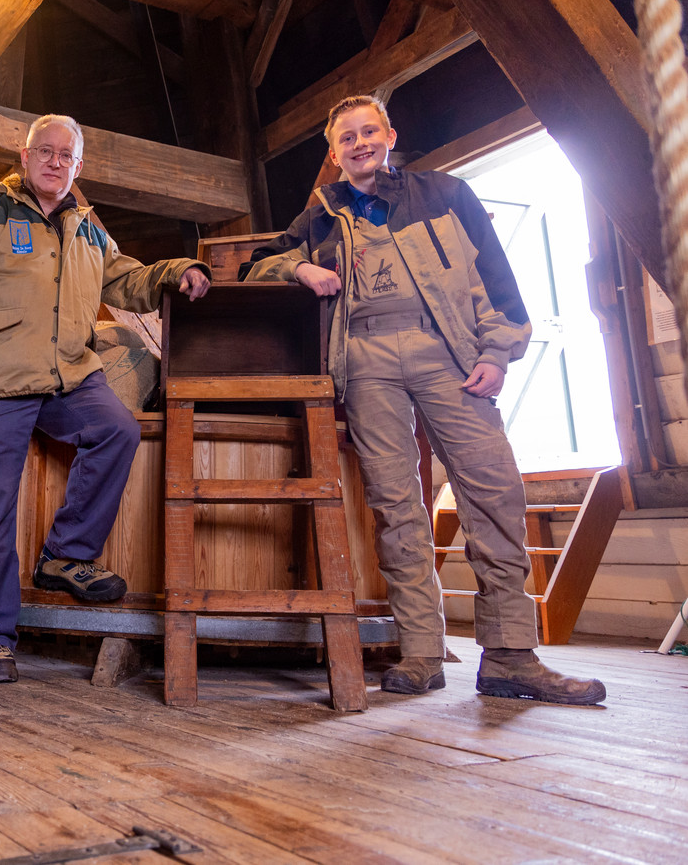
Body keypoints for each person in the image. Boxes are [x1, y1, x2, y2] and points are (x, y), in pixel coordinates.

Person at [248, 95, 606, 705]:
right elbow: (257, 264)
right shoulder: (319, 218)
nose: (360, 144)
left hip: (448, 352)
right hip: (364, 361)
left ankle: (511, 654)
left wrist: (496, 352)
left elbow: (496, 277)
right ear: (332, 154)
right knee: (395, 503)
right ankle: (419, 652)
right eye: (347, 138)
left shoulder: (446, 195)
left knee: (492, 487)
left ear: (390, 135)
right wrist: (301, 271)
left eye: (369, 132)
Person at [0, 114, 212, 683]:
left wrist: (178, 270)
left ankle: (64, 555)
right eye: (46, 151)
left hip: (69, 379)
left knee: (118, 430)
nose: (56, 162)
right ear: (24, 156)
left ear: (78, 167)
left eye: (67, 156)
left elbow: (127, 279)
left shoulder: (88, 230)